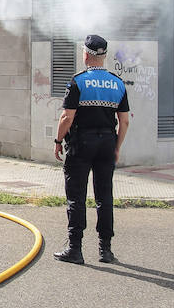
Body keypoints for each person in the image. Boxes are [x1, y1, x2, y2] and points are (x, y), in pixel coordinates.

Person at [53, 34, 131, 265]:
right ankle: (105, 250)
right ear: (104, 56)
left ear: (86, 55)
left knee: (76, 196)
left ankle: (75, 249)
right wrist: (117, 147)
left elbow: (67, 117)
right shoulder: (117, 83)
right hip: (107, 143)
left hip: (81, 144)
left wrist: (58, 141)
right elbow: (124, 122)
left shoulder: (78, 81)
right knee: (104, 196)